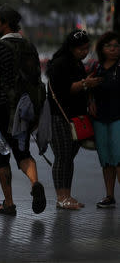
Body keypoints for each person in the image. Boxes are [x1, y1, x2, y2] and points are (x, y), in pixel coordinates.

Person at [0, 4, 46, 216]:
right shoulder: (30, 46)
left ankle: (8, 203)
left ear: (5, 24)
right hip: (26, 109)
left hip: (2, 108)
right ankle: (35, 183)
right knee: (23, 152)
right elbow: (37, 80)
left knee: (1, 155)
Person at [46, 29, 102, 210]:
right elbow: (63, 90)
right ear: (71, 48)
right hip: (60, 118)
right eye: (80, 49)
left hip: (75, 119)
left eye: (87, 48)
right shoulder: (60, 64)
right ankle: (61, 197)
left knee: (68, 158)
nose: (84, 52)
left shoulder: (77, 64)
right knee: (62, 158)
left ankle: (67, 196)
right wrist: (85, 83)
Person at [89, 31, 120, 208]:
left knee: (119, 158)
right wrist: (90, 101)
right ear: (102, 48)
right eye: (109, 46)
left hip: (118, 118)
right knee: (106, 160)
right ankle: (109, 196)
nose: (113, 49)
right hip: (100, 118)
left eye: (116, 46)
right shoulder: (96, 67)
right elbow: (88, 89)